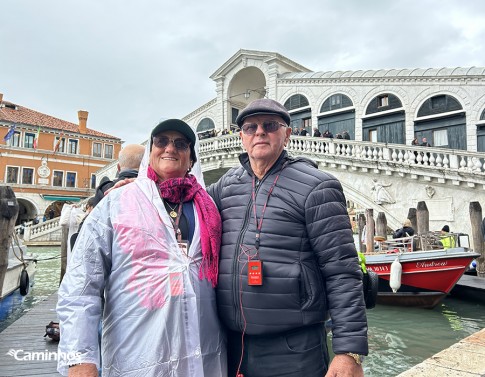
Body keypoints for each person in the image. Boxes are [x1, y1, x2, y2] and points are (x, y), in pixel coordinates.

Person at [208, 99, 368, 377]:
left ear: (287, 133)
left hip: (294, 348)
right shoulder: (226, 185)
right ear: (241, 137)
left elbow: (342, 271)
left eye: (270, 125)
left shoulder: (317, 186)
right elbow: (186, 202)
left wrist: (349, 352)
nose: (259, 132)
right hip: (233, 344)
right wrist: (133, 187)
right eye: (250, 127)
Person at [57, 119, 227, 376]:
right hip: (137, 355)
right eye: (162, 141)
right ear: (151, 151)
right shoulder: (118, 202)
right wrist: (80, 359)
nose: (170, 148)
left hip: (204, 354)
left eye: (181, 144)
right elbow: (81, 285)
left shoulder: (209, 207)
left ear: (191, 159)